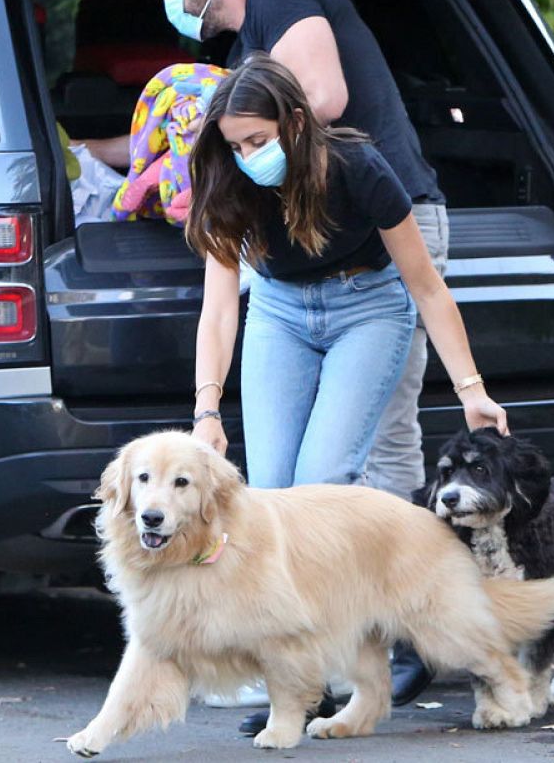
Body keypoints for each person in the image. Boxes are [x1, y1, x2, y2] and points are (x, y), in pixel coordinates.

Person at [184, 53, 507, 732]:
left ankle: (392, 636)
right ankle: (306, 680)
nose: (246, 156)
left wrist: (471, 390)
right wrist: (207, 411)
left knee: (322, 481)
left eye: (257, 141)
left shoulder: (359, 168)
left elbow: (425, 286)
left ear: (295, 123)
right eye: (235, 144)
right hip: (279, 311)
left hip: (369, 308)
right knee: (268, 495)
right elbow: (220, 310)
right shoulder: (228, 182)